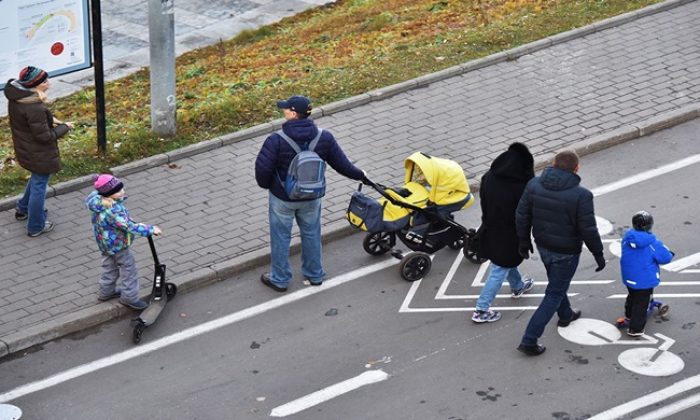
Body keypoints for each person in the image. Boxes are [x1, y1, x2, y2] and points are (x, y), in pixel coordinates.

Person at [255, 95, 365, 292]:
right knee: (312, 233)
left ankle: (280, 278)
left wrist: (269, 186)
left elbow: (262, 171)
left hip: (283, 198)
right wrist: (361, 175)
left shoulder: (275, 140)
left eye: (286, 108)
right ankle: (315, 274)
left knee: (281, 237)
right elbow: (342, 165)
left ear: (294, 113)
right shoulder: (324, 137)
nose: (284, 111)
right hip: (312, 197)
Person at [515, 150, 605, 356]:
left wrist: (523, 240)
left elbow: (522, 214)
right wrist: (598, 253)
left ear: (553, 164)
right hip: (566, 252)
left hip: (543, 245)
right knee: (554, 292)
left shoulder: (534, 185)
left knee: (557, 283)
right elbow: (588, 229)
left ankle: (565, 314)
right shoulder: (582, 195)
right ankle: (530, 339)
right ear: (577, 168)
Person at [5, 66, 73, 237]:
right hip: (40, 153)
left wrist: (51, 119)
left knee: (36, 179)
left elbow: (32, 121)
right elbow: (44, 136)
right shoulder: (34, 107)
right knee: (39, 186)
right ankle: (36, 226)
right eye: (44, 81)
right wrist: (65, 127)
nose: (48, 83)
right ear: (34, 85)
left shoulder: (17, 99)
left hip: (26, 149)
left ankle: (22, 209)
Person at [472, 143, 536, 323]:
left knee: (505, 261)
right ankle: (481, 309)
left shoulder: (489, 177)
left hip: (490, 228)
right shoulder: (521, 187)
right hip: (509, 234)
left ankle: (518, 286)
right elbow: (525, 215)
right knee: (499, 269)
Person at [85, 174, 162, 310]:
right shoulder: (112, 210)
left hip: (105, 244)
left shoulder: (99, 203)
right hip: (118, 245)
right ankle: (129, 297)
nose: (123, 191)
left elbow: (124, 222)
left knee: (109, 268)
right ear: (109, 194)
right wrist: (149, 229)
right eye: (119, 190)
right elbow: (127, 226)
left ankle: (106, 292)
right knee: (129, 270)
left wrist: (137, 223)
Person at [619, 210, 674, 336]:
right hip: (644, 280)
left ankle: (628, 316)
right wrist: (670, 254)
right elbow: (664, 258)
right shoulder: (652, 243)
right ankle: (636, 329)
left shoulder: (627, 238)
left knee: (632, 295)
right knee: (641, 303)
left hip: (628, 276)